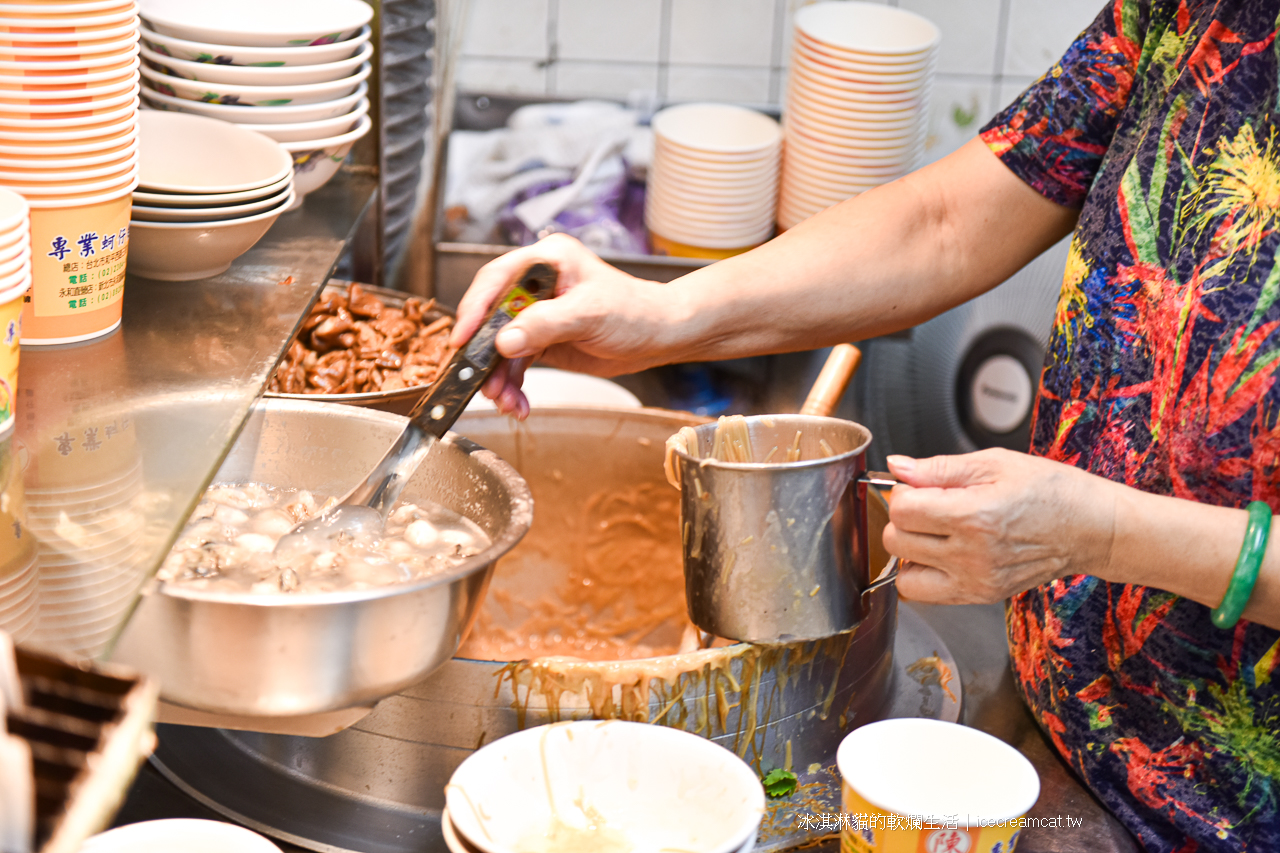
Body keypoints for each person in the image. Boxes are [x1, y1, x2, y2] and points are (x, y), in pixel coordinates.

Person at [450, 2, 1280, 850]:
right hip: (1049, 733)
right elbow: (948, 222)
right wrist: (666, 312)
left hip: (1224, 811)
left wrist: (1104, 532)